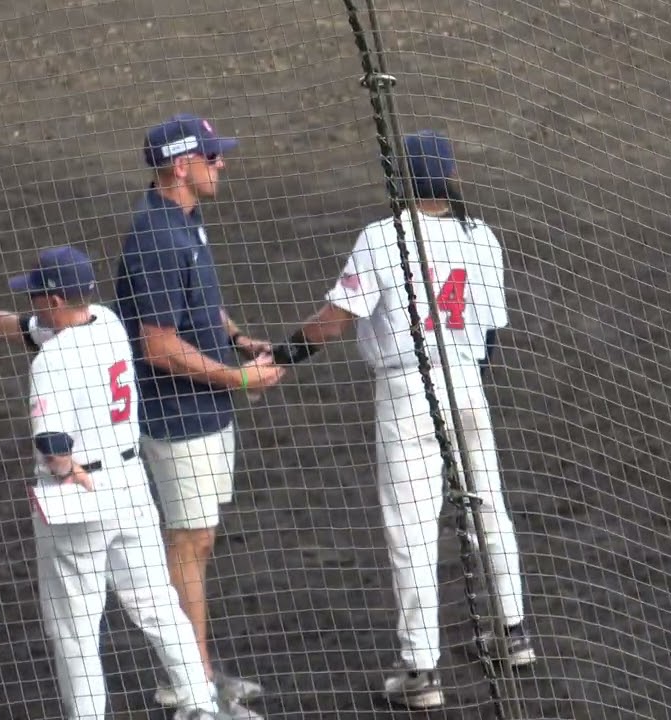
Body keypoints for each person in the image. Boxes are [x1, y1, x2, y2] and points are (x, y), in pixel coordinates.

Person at [0, 246, 230, 720]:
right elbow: (10, 325)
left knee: (75, 626)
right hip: (132, 486)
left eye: (35, 294)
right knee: (157, 604)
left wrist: (67, 470)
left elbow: (51, 441)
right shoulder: (108, 323)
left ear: (53, 299)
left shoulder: (51, 361)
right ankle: (200, 705)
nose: (29, 301)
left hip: (82, 497)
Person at [267, 131, 535, 709]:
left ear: (403, 179)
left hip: (407, 391)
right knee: (487, 506)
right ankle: (512, 634)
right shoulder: (481, 236)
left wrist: (282, 355)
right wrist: (461, 381)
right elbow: (491, 335)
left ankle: (421, 669)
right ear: (452, 176)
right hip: (467, 386)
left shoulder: (383, 237)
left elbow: (334, 321)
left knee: (410, 530)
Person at [113, 113, 283, 717]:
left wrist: (238, 342)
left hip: (206, 411)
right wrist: (239, 377)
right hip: (178, 418)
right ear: (180, 167)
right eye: (213, 157)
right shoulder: (156, 238)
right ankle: (192, 691)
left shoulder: (187, 221)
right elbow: (157, 346)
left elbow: (202, 309)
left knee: (199, 541)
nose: (223, 164)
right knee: (187, 544)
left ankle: (198, 671)